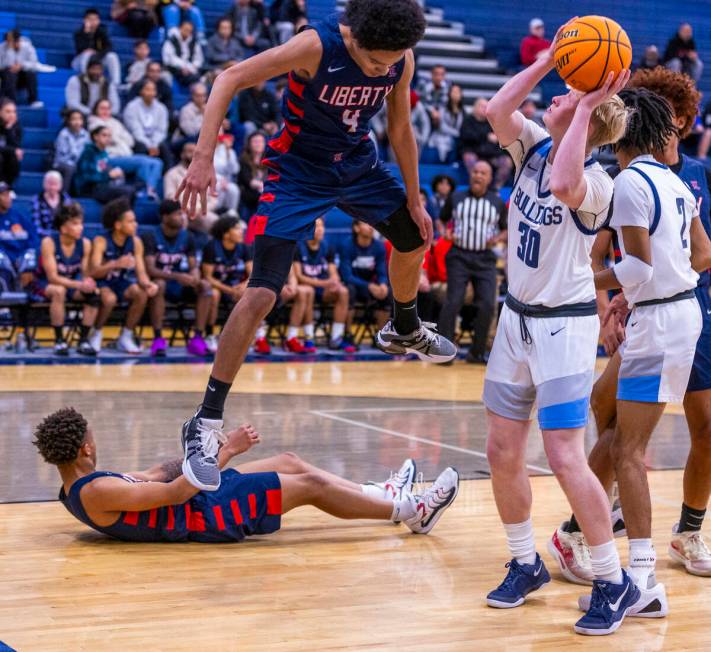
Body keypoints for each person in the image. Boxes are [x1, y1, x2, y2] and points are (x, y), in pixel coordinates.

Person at [175, 0, 455, 492]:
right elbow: (228, 79)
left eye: (391, 62)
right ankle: (205, 420)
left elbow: (401, 129)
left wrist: (415, 199)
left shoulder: (399, 58)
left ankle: (405, 327)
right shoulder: (314, 45)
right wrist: (203, 157)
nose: (383, 70)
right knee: (262, 293)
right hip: (298, 173)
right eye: (375, 63)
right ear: (354, 38)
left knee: (414, 237)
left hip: (356, 165)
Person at [481, 21, 634, 634]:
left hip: (563, 330)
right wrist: (548, 63)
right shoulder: (532, 147)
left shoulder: (601, 183)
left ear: (588, 119)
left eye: (569, 89)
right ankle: (525, 561)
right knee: (500, 451)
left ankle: (613, 579)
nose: (559, 91)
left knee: (565, 457)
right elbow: (495, 109)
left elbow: (567, 185)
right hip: (514, 321)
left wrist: (588, 105)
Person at [552, 68, 711, 595]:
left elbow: (638, 268)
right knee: (612, 416)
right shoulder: (673, 181)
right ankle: (584, 528)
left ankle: (639, 581)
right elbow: (695, 253)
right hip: (674, 313)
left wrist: (579, 282)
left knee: (627, 450)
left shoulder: (628, 184)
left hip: (661, 319)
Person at [33, 407, 460, 544]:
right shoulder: (97, 491)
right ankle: (410, 510)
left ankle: (379, 492)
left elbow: (152, 475)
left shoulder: (82, 485)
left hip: (203, 499)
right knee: (308, 487)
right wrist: (227, 451)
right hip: (207, 514)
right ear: (85, 447)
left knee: (290, 460)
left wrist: (199, 448)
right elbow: (178, 493)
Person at [437, 161, 506, 364]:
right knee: (453, 300)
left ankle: (476, 352)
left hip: (485, 258)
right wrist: (444, 232)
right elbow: (441, 220)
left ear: (489, 178)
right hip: (459, 255)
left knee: (487, 304)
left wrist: (499, 238)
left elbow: (505, 228)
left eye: (483, 173)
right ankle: (444, 352)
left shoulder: (497, 202)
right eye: (475, 171)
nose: (478, 176)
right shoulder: (456, 197)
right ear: (470, 175)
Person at [142, 199, 212, 357]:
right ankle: (158, 338)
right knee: (159, 284)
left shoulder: (188, 236)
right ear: (165, 217)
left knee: (205, 286)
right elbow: (151, 269)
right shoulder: (150, 236)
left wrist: (195, 276)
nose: (183, 217)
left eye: (183, 214)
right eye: (178, 214)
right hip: (161, 285)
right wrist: (178, 276)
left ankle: (198, 338)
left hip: (180, 285)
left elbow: (194, 265)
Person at [89, 198, 158, 354]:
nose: (136, 224)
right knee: (109, 299)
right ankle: (96, 332)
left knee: (141, 294)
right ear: (118, 225)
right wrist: (115, 263)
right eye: (131, 221)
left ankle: (126, 336)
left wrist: (149, 284)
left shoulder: (136, 242)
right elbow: (94, 272)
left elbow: (141, 273)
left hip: (121, 281)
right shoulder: (101, 240)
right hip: (102, 282)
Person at [33, 203, 99, 356]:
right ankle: (59, 341)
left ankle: (83, 340)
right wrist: (79, 284)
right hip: (44, 284)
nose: (80, 227)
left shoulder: (85, 244)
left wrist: (88, 283)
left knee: (94, 294)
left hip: (70, 283)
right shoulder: (48, 242)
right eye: (75, 224)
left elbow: (84, 272)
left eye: (81, 223)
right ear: (63, 228)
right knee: (59, 291)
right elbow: (52, 277)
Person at [294, 216, 354, 352]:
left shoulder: (327, 247)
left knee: (343, 292)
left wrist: (335, 281)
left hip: (322, 289)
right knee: (309, 290)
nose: (321, 230)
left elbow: (333, 272)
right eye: (317, 226)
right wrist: (323, 283)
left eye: (322, 226)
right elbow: (299, 277)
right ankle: (309, 338)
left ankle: (336, 338)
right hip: (305, 288)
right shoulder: (298, 247)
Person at [88, 98, 163, 200]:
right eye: (102, 108)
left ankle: (151, 190)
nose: (105, 111)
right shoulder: (94, 123)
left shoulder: (116, 122)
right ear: (96, 110)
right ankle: (141, 191)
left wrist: (117, 138)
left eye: (108, 108)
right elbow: (111, 139)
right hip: (110, 157)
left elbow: (130, 140)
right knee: (143, 162)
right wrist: (119, 138)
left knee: (157, 163)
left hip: (126, 154)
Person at [201, 216, 253, 354]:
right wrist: (230, 290)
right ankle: (210, 335)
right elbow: (208, 277)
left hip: (236, 287)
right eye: (236, 228)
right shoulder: (212, 247)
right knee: (214, 294)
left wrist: (243, 286)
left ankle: (238, 336)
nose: (241, 231)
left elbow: (253, 274)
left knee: (250, 294)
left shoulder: (244, 248)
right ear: (225, 233)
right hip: (218, 286)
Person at [339, 221, 391, 331]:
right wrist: (369, 286)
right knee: (349, 290)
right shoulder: (347, 245)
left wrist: (382, 284)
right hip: (354, 285)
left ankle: (381, 336)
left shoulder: (379, 247)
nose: (371, 227)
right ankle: (347, 334)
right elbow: (346, 276)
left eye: (371, 223)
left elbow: (381, 271)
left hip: (370, 286)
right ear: (356, 228)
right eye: (366, 223)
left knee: (388, 292)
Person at [73, 126, 136, 204]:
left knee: (132, 189)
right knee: (127, 192)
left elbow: (102, 170)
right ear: (95, 137)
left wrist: (113, 173)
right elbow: (87, 176)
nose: (108, 138)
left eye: (109, 136)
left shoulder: (103, 153)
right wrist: (108, 175)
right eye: (104, 135)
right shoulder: (88, 153)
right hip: (88, 188)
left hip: (101, 186)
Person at [164, 141, 218, 232]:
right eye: (190, 151)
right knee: (181, 221)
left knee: (220, 224)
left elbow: (213, 199)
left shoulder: (205, 174)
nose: (193, 154)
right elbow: (170, 197)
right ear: (182, 155)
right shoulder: (172, 173)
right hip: (181, 211)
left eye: (196, 152)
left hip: (201, 212)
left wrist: (201, 209)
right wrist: (188, 208)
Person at [460, 97, 512, 187]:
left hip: (491, 154)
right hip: (473, 152)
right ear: (475, 107)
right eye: (482, 106)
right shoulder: (468, 120)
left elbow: (500, 139)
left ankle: (496, 188)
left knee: (506, 162)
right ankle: (477, 186)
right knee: (469, 159)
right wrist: (486, 136)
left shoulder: (492, 122)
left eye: (486, 107)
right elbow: (466, 136)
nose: (485, 109)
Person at [123, 79, 172, 170]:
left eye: (153, 90)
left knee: (164, 147)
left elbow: (161, 130)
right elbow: (136, 131)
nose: (151, 93)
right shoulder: (131, 107)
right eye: (147, 89)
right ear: (141, 91)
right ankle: (143, 180)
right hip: (137, 140)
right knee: (141, 147)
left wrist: (154, 144)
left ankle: (168, 176)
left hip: (155, 141)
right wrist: (149, 146)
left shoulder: (161, 108)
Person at [0, 181, 39, 289]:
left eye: (9, 194)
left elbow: (34, 239)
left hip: (22, 261)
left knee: (29, 271)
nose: (8, 198)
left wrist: (23, 260)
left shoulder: (20, 216)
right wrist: (11, 259)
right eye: (4, 195)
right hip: (3, 263)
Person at [72, 8, 122, 85]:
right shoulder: (79, 33)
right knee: (87, 54)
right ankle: (86, 81)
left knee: (112, 56)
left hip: (97, 58)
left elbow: (108, 47)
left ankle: (116, 84)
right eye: (90, 19)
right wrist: (87, 33)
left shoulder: (102, 32)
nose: (93, 22)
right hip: (80, 60)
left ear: (99, 20)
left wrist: (97, 55)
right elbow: (81, 48)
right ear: (85, 20)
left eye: (95, 19)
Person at [0, 29, 42, 107]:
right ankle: (11, 101)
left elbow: (34, 63)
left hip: (22, 76)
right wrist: (10, 49)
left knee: (31, 74)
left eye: (16, 41)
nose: (14, 44)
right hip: (7, 76)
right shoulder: (2, 48)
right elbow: (2, 65)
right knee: (9, 74)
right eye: (11, 42)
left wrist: (21, 65)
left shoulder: (27, 46)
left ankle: (33, 100)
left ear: (19, 40)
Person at [53, 110, 91, 192]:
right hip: (62, 164)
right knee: (70, 168)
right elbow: (62, 157)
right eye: (74, 119)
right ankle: (64, 195)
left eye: (80, 119)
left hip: (79, 163)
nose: (77, 122)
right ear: (69, 121)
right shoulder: (63, 134)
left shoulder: (86, 135)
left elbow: (87, 153)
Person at [425, 84, 463, 164]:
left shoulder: (463, 111)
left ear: (461, 94)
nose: (455, 94)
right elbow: (441, 127)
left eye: (457, 92)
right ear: (449, 93)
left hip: (454, 139)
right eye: (454, 91)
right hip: (440, 136)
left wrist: (457, 133)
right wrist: (456, 133)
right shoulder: (442, 107)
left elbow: (461, 128)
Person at [161, 20, 204, 87]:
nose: (187, 32)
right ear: (180, 28)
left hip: (190, 70)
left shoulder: (194, 42)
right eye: (186, 29)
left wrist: (192, 67)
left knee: (198, 77)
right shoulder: (171, 41)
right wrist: (183, 67)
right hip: (174, 69)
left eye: (190, 31)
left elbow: (199, 59)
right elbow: (169, 59)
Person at [31, 171, 72, 238]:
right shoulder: (37, 199)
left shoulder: (66, 199)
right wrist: (51, 237)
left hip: (63, 236)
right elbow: (36, 225)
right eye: (49, 183)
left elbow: (69, 221)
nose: (52, 187)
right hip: (43, 237)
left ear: (60, 185)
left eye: (55, 184)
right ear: (44, 184)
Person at [236, 130, 267, 218]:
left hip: (263, 195)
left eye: (261, 141)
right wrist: (261, 185)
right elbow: (247, 180)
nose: (258, 144)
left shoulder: (268, 160)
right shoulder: (243, 160)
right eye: (255, 141)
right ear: (249, 144)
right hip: (248, 195)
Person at [0, 98, 22, 186]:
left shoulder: (16, 127)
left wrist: (9, 129)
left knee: (14, 157)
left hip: (6, 156)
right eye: (8, 111)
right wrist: (12, 150)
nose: (12, 114)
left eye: (14, 112)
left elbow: (16, 146)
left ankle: (8, 186)